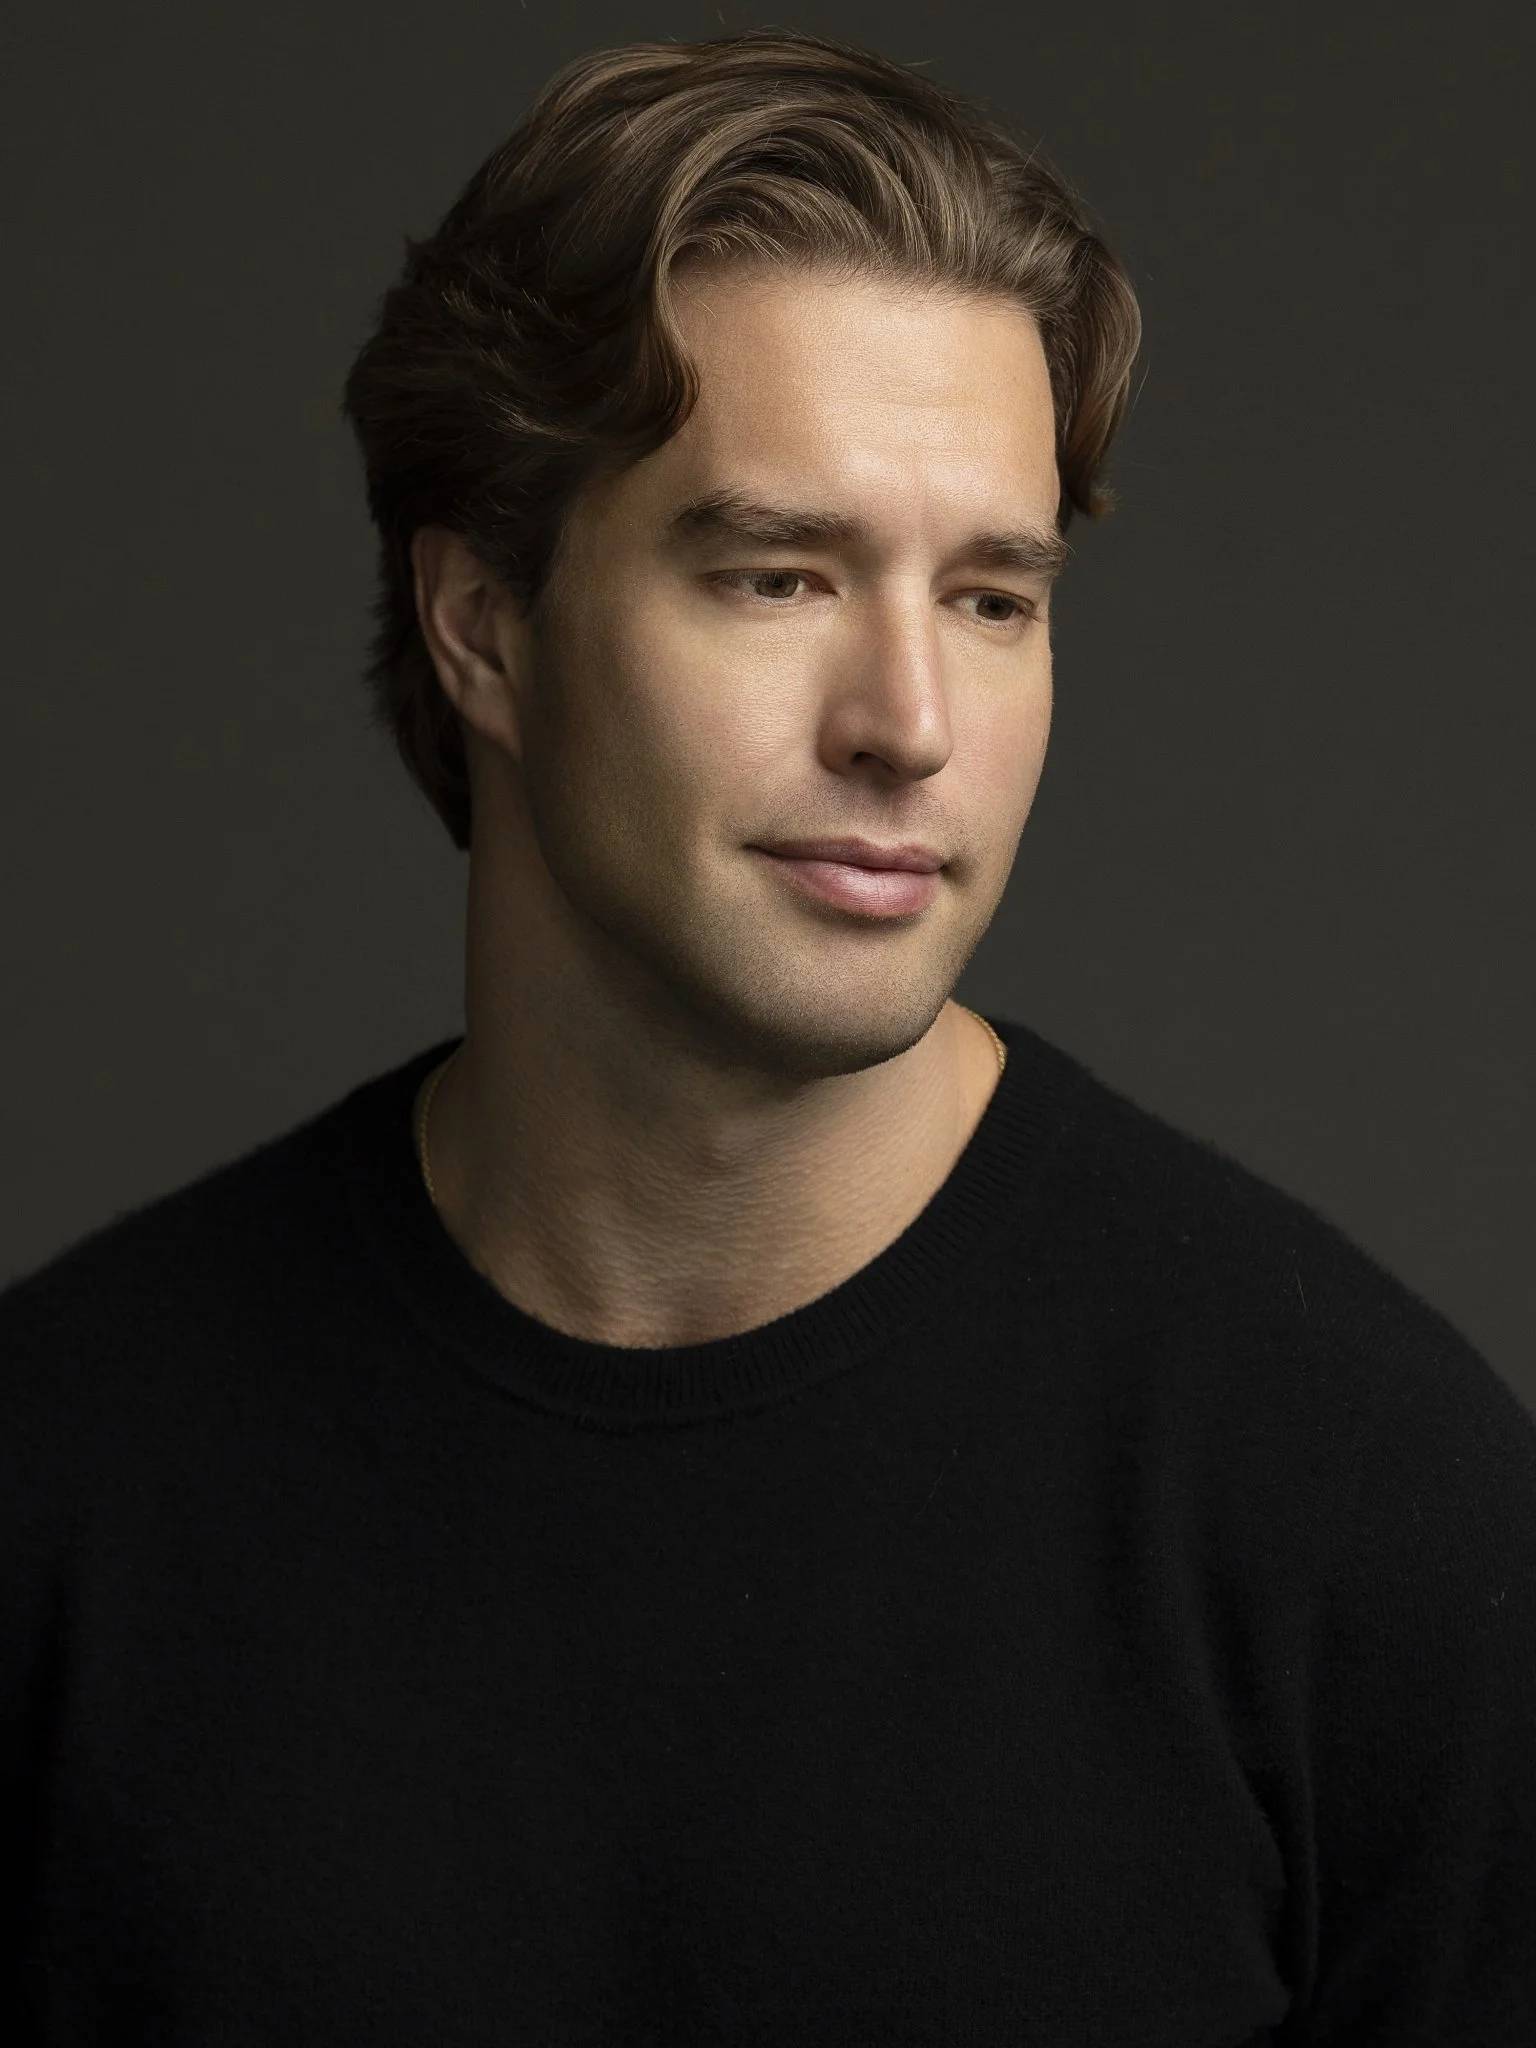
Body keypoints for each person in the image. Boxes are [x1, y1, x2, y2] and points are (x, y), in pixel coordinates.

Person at [2, 28, 1532, 2044]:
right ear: (481, 625)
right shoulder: (61, 1488)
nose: (908, 718)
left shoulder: (1385, 1527)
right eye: (779, 573)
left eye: (994, 598)